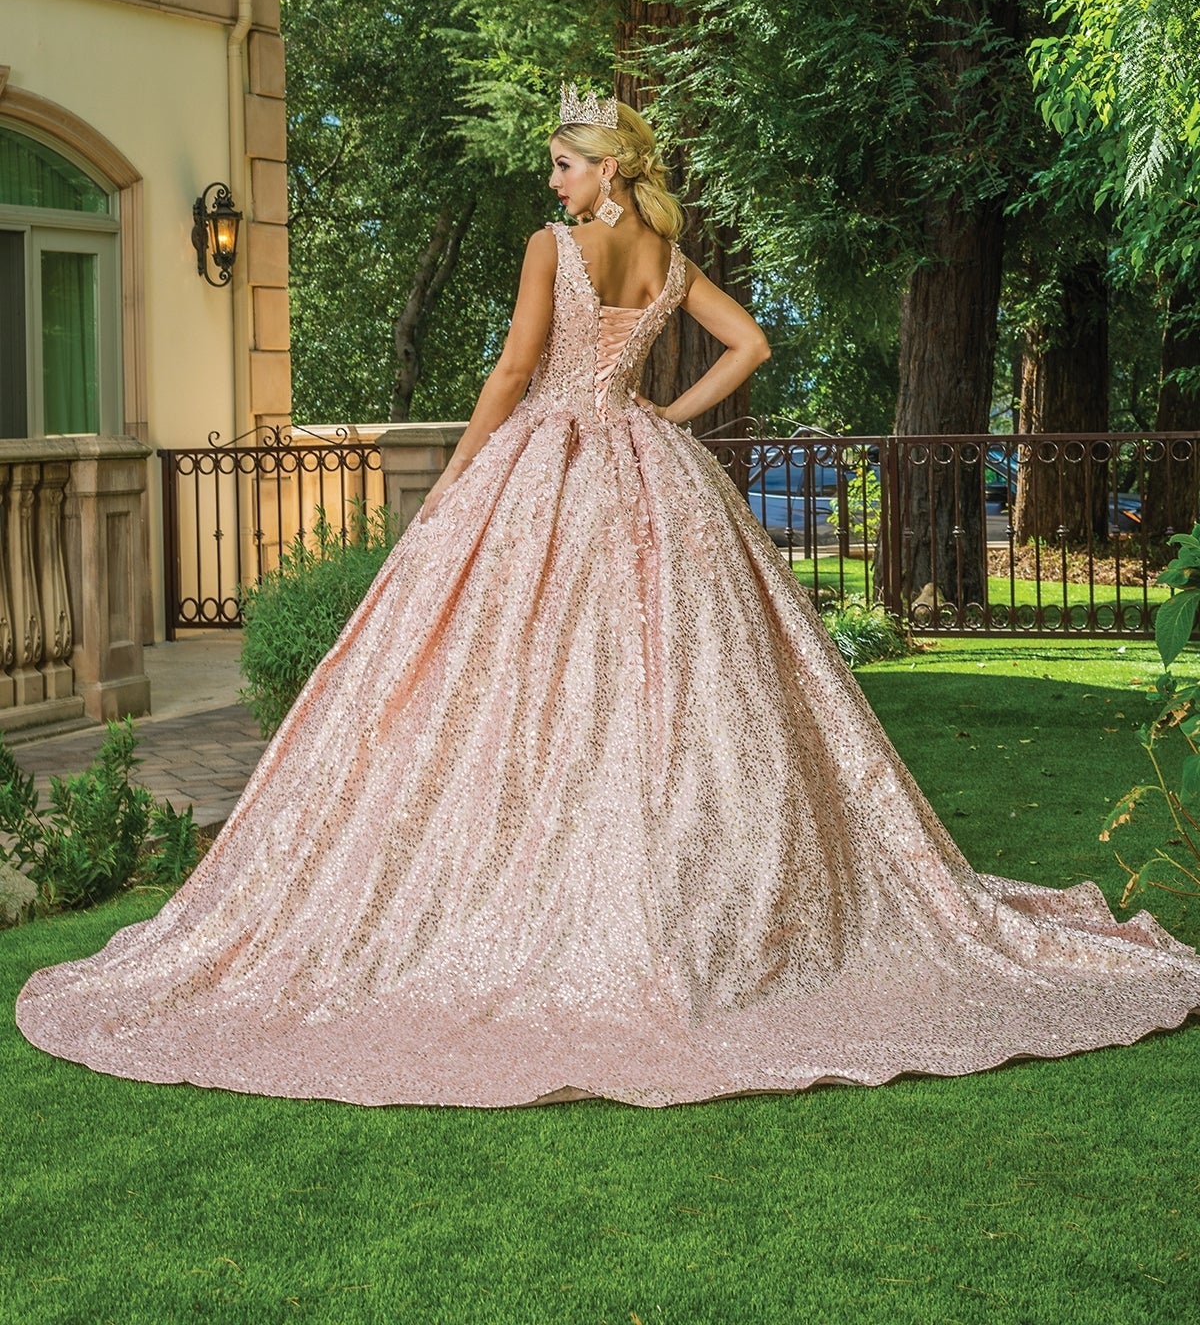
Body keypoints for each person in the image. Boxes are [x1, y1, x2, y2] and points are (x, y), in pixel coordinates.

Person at [16, 88, 1200, 1107]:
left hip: (551, 466)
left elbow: (516, 370)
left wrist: (464, 475)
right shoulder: (668, 261)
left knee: (519, 671)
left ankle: (542, 884)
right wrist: (666, 420)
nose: (553, 177)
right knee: (667, 679)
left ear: (610, 168)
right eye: (555, 166)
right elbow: (751, 343)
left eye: (566, 161)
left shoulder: (553, 245)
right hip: (648, 471)